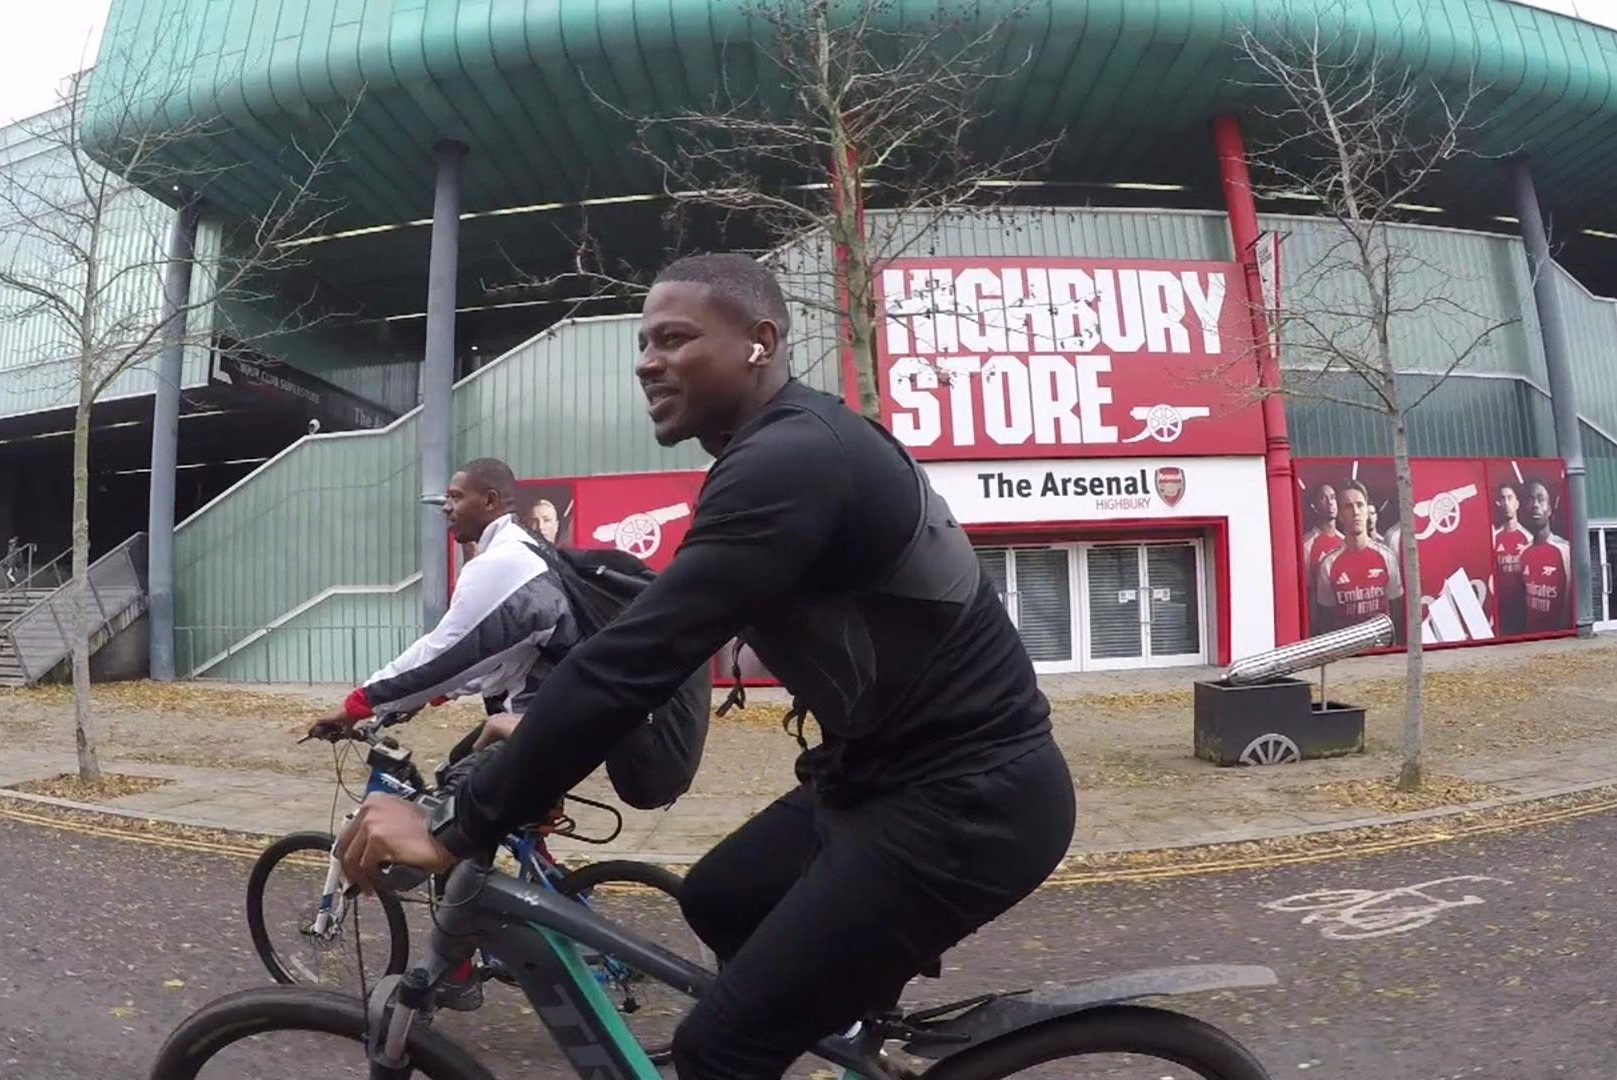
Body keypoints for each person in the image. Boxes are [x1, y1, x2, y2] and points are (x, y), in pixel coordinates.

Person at [332, 252, 1075, 1079]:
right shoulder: (779, 451)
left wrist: (462, 823)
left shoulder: (793, 460)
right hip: (882, 778)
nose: (648, 361)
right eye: (642, 344)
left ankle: (794, 1034)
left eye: (675, 338)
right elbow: (659, 648)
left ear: (760, 342)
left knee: (716, 1051)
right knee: (722, 897)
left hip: (971, 806)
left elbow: (633, 663)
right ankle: (853, 1033)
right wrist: (532, 727)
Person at [308, 458, 700, 809]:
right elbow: (507, 651)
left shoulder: (502, 563)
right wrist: (434, 696)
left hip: (548, 717)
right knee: (474, 784)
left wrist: (357, 703)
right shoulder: (528, 549)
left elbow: (440, 656)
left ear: (491, 501)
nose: (446, 506)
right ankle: (529, 864)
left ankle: (488, 873)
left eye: (456, 496)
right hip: (566, 711)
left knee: (453, 803)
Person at [1313, 479, 1403, 635]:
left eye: (1360, 505)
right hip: (1347, 653)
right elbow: (1326, 621)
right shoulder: (1328, 564)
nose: (1355, 512)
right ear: (1340, 515)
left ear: (1367, 511)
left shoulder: (1387, 557)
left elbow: (1398, 612)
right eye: (1348, 507)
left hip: (1383, 650)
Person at [1519, 479, 1572, 633]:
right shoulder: (1523, 552)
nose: (1535, 505)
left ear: (1549, 509)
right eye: (1531, 500)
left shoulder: (1564, 550)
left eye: (1541, 500)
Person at [1490, 481, 1532, 635]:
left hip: (1521, 607)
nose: (1506, 502)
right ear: (1498, 503)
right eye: (1502, 498)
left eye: (1510, 497)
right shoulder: (1494, 537)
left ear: (1517, 503)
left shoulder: (1528, 538)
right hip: (1501, 607)